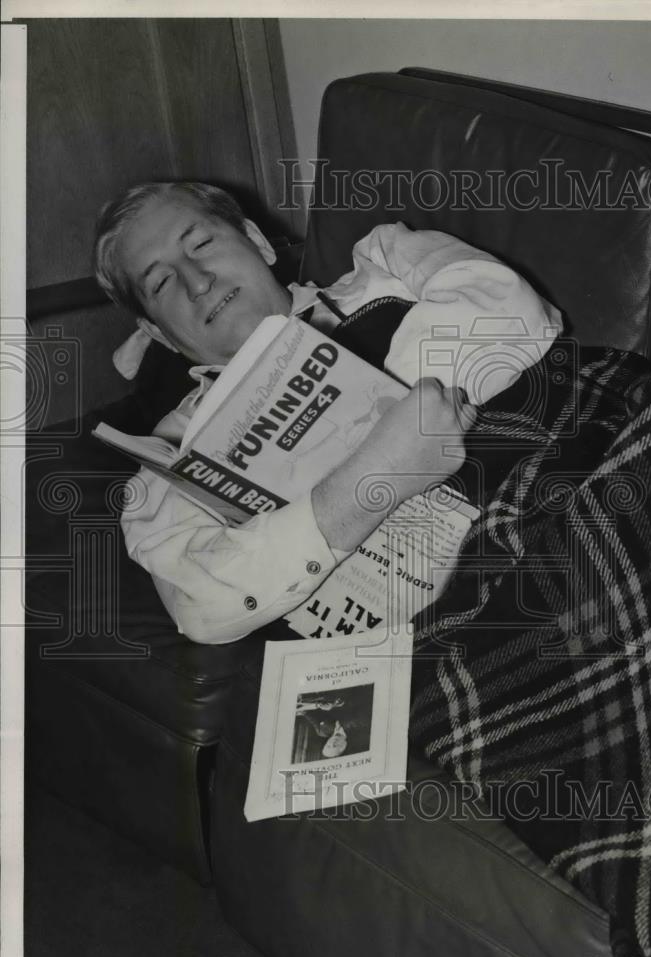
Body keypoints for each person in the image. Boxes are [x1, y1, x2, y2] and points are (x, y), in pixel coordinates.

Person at [94, 181, 562, 643]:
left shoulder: (386, 261)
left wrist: (372, 430)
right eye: (160, 282)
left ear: (258, 241)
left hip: (545, 523)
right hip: (437, 641)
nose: (197, 281)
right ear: (157, 332)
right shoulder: (169, 462)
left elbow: (514, 313)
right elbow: (201, 607)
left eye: (202, 243)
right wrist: (374, 475)